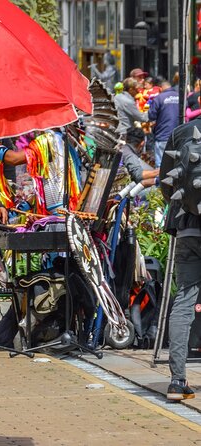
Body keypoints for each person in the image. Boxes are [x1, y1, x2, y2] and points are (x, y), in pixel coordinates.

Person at [160, 103, 201, 402]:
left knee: (184, 300)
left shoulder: (179, 134)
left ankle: (177, 381)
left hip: (188, 228)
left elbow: (167, 184)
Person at [148, 80, 179, 168]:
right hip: (179, 135)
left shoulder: (159, 98)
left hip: (163, 135)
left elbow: (151, 115)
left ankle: (161, 181)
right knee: (176, 164)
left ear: (161, 88)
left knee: (161, 164)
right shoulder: (181, 97)